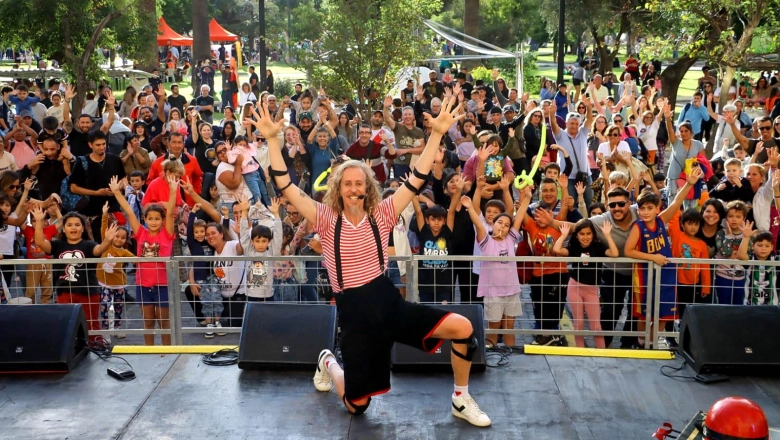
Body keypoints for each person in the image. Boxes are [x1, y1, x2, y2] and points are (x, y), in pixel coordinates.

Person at [260, 98, 491, 426]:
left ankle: (461, 398)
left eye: (359, 183)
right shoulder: (325, 217)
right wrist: (273, 140)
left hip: (387, 303)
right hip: (355, 316)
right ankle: (329, 362)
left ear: (368, 187)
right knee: (357, 406)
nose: (354, 188)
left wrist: (437, 135)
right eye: (347, 183)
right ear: (338, 189)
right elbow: (284, 184)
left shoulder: (383, 213)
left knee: (464, 328)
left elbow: (417, 177)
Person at [110, 174, 177, 346]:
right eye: (150, 219)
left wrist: (172, 190)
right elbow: (130, 212)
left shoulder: (167, 234)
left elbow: (170, 212)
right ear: (145, 220)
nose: (153, 222)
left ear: (162, 221)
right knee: (148, 321)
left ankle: (167, 352)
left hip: (163, 284)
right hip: (142, 284)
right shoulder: (141, 233)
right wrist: (117, 193)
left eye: (157, 219)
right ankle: (150, 352)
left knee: (164, 322)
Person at [32, 208, 119, 339]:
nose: (74, 228)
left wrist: (107, 240)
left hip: (88, 293)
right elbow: (40, 242)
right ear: (64, 228)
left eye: (77, 225)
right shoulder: (58, 245)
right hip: (64, 292)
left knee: (91, 324)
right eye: (69, 225)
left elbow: (99, 250)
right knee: (66, 325)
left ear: (83, 228)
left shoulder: (89, 244)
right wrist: (39, 222)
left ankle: (95, 348)